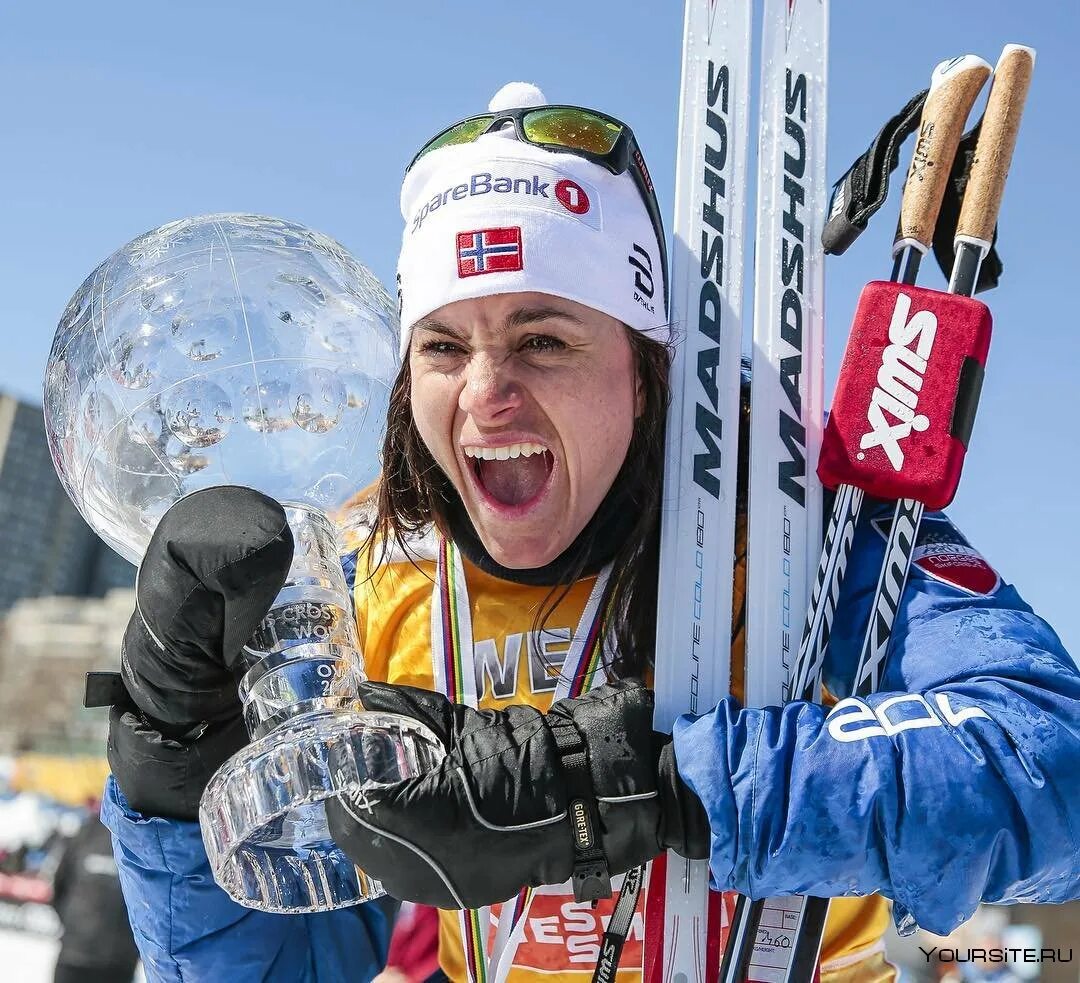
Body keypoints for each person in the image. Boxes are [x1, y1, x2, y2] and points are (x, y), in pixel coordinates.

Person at [98, 80, 1080, 983]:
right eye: (444, 345)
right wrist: (178, 771)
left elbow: (1051, 761)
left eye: (542, 338)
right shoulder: (374, 576)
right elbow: (291, 967)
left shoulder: (796, 525)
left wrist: (625, 779)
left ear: (649, 369)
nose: (485, 393)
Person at [50, 803, 140, 983]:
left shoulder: (141, 837)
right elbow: (59, 885)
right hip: (74, 956)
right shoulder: (86, 832)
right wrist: (72, 927)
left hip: (118, 962)